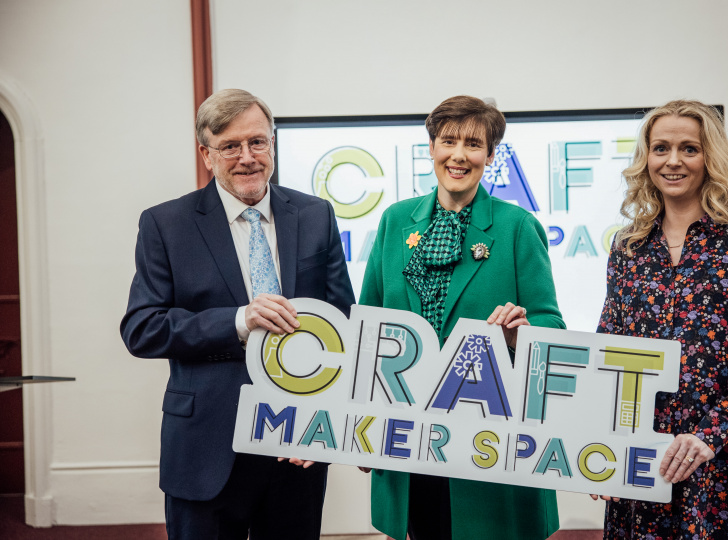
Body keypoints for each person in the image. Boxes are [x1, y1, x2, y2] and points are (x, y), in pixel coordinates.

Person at [120, 88, 355, 539]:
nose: (247, 157)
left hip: (295, 442)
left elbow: (341, 327)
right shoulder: (166, 225)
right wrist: (238, 321)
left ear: (272, 144)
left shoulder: (316, 215)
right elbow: (141, 328)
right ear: (206, 154)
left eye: (257, 142)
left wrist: (326, 417)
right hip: (206, 447)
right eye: (230, 146)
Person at [359, 95, 566, 540]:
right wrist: (359, 425)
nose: (458, 154)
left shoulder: (516, 227)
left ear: (491, 156)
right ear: (431, 147)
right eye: (448, 140)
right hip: (409, 439)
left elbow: (551, 326)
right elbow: (368, 332)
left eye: (473, 144)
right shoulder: (395, 222)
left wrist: (520, 334)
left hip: (490, 446)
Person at [594, 99, 728, 538]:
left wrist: (709, 434)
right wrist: (601, 445)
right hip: (645, 454)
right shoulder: (628, 246)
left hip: (725, 453)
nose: (673, 161)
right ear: (646, 158)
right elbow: (610, 349)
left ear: (709, 157)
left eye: (689, 149)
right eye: (661, 148)